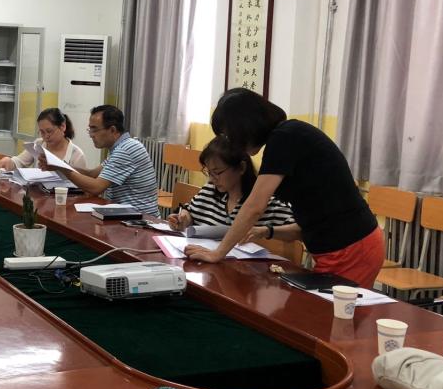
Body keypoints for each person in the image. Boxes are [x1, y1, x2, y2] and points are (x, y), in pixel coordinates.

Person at [184, 88, 384, 288]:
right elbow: (309, 222)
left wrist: (218, 253)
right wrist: (267, 231)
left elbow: (254, 207)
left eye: (230, 135)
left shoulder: (285, 138)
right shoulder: (285, 137)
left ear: (245, 127)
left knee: (329, 308)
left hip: (352, 248)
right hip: (337, 248)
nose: (233, 145)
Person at [168, 136, 297, 237]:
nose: (212, 179)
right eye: (209, 172)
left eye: (217, 172)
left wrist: (267, 231)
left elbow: (299, 230)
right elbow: (190, 212)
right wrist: (184, 219)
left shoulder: (266, 202)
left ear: (241, 168)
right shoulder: (209, 191)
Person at [45, 105, 158, 216]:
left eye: (94, 129)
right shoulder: (120, 147)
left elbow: (96, 187)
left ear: (112, 130)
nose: (91, 135)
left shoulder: (126, 150)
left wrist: (64, 170)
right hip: (123, 213)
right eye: (90, 129)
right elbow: (92, 174)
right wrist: (60, 164)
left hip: (140, 219)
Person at [0, 108, 87, 171]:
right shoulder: (39, 143)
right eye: (42, 132)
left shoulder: (77, 155)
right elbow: (20, 161)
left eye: (49, 131)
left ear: (63, 126)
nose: (46, 136)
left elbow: (81, 185)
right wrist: (9, 161)